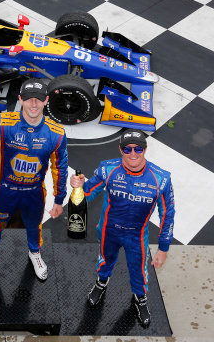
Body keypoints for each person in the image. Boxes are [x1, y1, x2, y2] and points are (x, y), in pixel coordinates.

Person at [0, 79, 68, 282]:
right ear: (20, 99)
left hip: (34, 192)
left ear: (46, 100)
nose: (33, 104)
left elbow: (59, 168)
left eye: (38, 99)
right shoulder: (4, 122)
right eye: (28, 99)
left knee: (35, 226)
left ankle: (35, 253)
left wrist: (59, 199)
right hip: (6, 190)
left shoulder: (57, 133)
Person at [69, 129, 175, 327]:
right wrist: (76, 185)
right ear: (120, 149)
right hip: (109, 231)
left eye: (138, 148)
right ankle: (101, 283)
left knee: (139, 270)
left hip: (137, 235)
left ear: (145, 149)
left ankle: (140, 299)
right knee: (105, 261)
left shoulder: (161, 179)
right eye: (127, 149)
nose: (133, 153)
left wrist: (163, 247)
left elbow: (168, 213)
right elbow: (86, 194)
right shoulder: (107, 169)